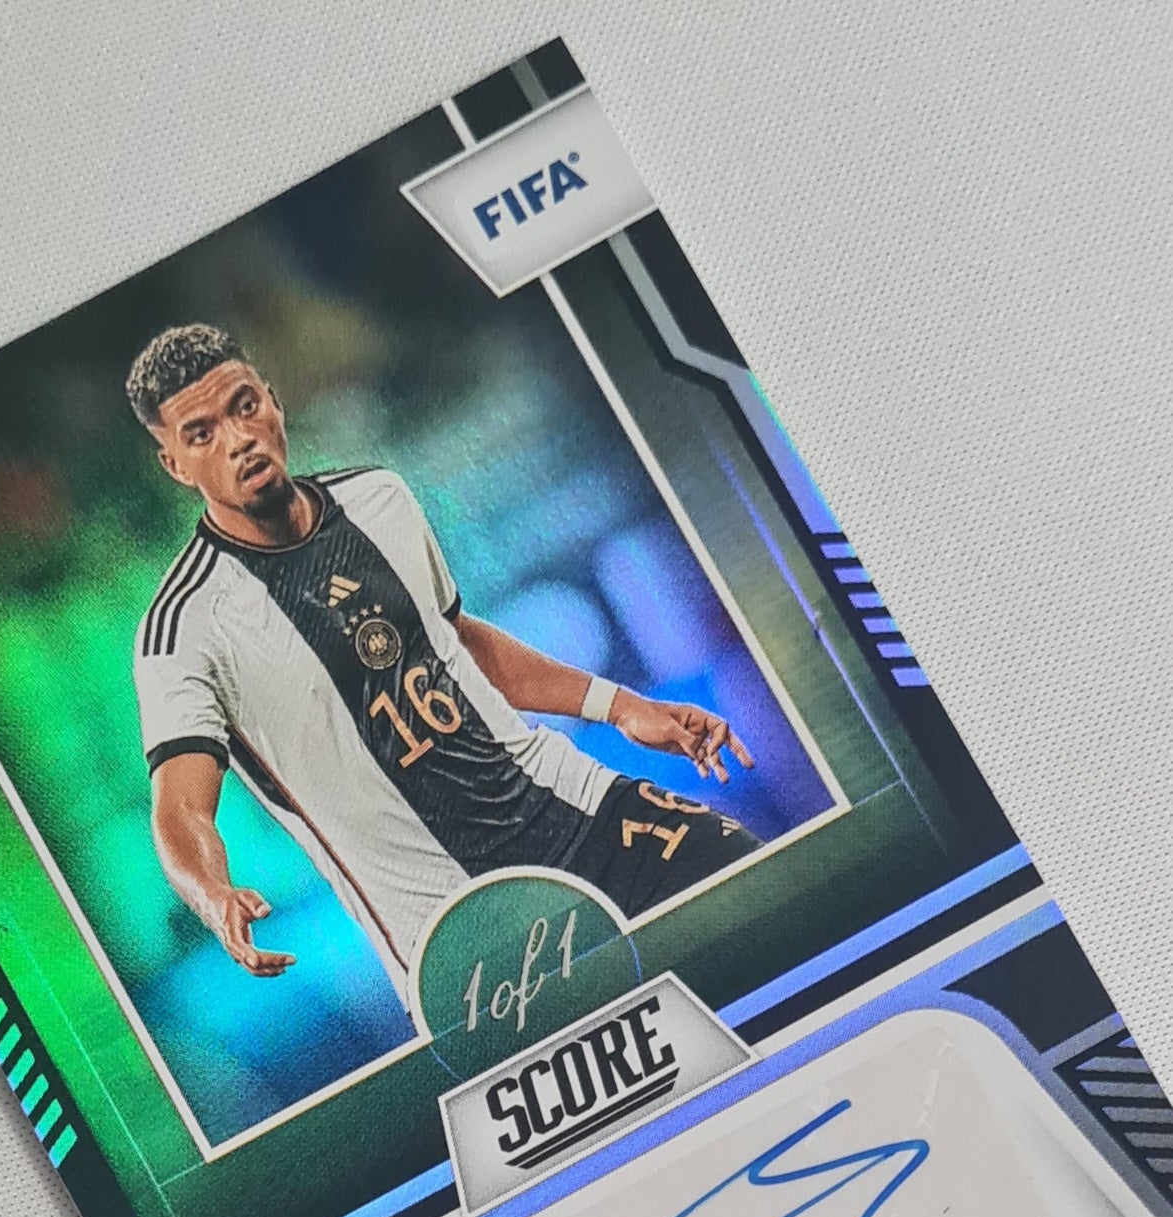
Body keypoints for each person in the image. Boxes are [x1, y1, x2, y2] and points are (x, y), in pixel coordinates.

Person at [125, 323, 760, 1000]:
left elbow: (456, 643)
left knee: (764, 885)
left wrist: (622, 706)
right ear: (175, 465)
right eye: (201, 434)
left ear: (273, 401)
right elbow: (181, 807)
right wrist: (213, 894)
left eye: (245, 406)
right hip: (459, 929)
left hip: (572, 806)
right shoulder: (184, 627)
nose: (238, 439)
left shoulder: (378, 498)